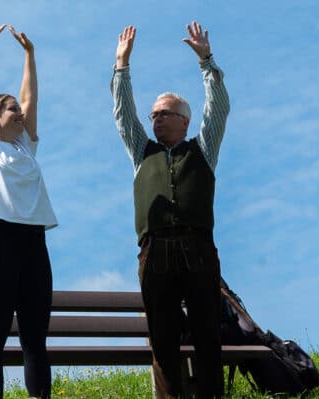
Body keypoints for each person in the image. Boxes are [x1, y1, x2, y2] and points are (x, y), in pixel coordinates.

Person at [111, 22, 230, 399]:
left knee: (208, 336)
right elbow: (123, 114)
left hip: (198, 250)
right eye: (154, 115)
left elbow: (219, 108)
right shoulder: (140, 152)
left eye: (164, 113)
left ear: (184, 121)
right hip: (155, 253)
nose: (155, 118)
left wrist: (206, 62)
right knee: (162, 341)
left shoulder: (203, 150)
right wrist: (121, 66)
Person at [0, 17, 57, 399]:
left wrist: (30, 55)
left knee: (35, 339)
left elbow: (31, 98)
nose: (20, 113)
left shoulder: (24, 147)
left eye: (20, 110)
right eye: (11, 110)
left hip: (33, 242)